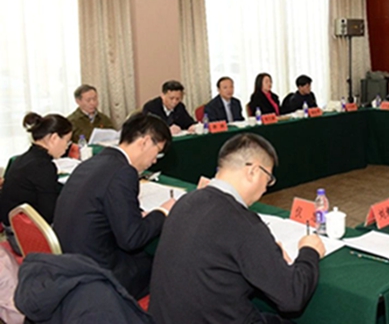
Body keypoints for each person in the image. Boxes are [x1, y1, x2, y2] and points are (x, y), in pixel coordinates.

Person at [149, 133, 325, 323]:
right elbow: (292, 297)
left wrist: (268, 253)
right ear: (253, 172)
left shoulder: (185, 201)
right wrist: (309, 251)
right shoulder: (243, 223)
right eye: (268, 178)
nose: (266, 187)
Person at [53, 112, 175, 300]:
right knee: (167, 262)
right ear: (144, 142)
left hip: (71, 260)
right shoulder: (124, 172)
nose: (155, 160)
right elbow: (132, 239)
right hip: (98, 273)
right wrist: (163, 211)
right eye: (157, 152)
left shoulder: (97, 160)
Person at [0, 113, 72, 255]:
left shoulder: (22, 159)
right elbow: (49, 214)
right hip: (28, 239)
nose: (67, 147)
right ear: (54, 138)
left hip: (14, 232)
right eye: (67, 141)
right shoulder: (43, 166)